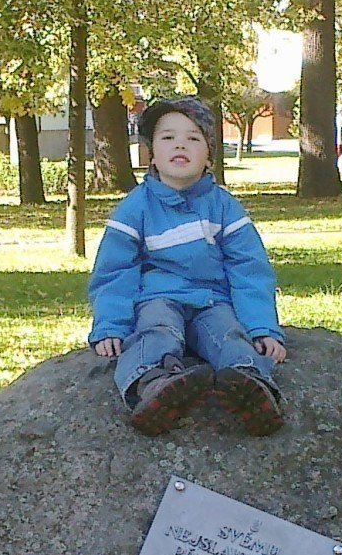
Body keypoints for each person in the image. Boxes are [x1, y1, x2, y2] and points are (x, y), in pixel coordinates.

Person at [88, 96, 287, 436]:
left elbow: (248, 268)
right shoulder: (135, 208)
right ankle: (152, 385)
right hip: (159, 298)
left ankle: (251, 387)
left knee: (229, 335)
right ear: (152, 152)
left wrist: (263, 327)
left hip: (212, 302)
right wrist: (110, 325)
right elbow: (115, 271)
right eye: (168, 137)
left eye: (194, 138)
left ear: (209, 154)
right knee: (156, 331)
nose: (180, 144)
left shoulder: (224, 207)